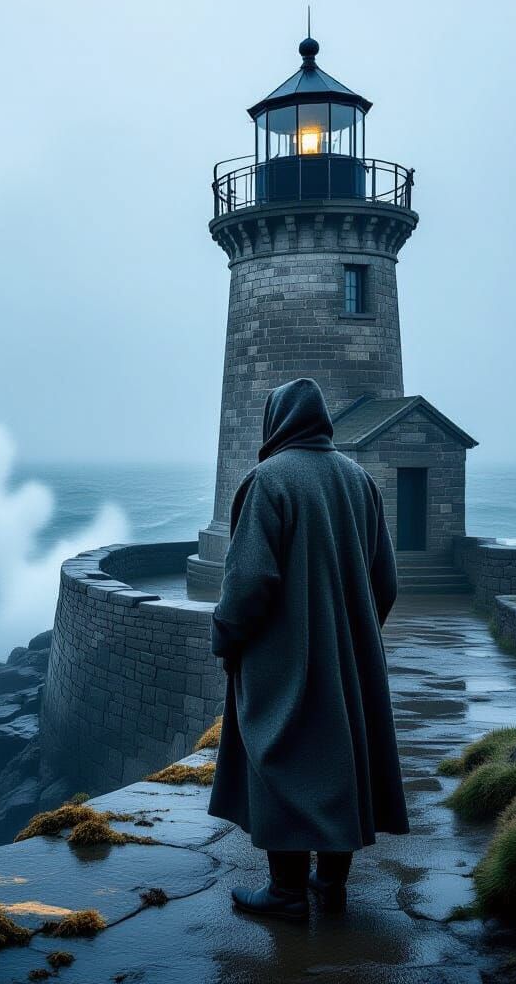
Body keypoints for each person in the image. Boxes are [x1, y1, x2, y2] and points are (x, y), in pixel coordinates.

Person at [207, 377, 408, 920]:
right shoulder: (360, 480)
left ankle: (286, 892)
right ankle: (330, 884)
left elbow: (248, 581)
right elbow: (384, 582)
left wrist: (225, 636)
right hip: (352, 656)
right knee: (340, 758)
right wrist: (356, 634)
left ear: (277, 422)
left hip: (282, 655)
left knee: (282, 754)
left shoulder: (267, 480)